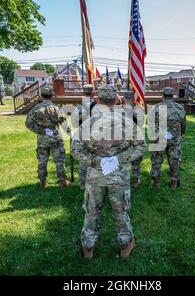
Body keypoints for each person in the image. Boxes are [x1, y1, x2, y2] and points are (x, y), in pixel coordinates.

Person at [71, 85, 145, 260]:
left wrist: (95, 161)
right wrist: (120, 159)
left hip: (95, 177)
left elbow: (75, 149)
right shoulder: (126, 121)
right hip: (119, 177)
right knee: (120, 211)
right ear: (116, 99)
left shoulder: (89, 122)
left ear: (97, 99)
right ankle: (125, 246)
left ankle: (88, 247)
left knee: (91, 212)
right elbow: (141, 145)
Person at [25, 85, 70, 189]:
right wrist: (69, 133)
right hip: (56, 138)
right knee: (59, 160)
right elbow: (63, 123)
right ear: (51, 95)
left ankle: (42, 182)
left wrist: (40, 130)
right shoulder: (56, 108)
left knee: (42, 160)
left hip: (42, 139)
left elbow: (28, 123)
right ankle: (62, 182)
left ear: (41, 95)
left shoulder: (36, 108)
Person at [149, 87, 186, 190]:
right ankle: (173, 183)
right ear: (173, 96)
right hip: (174, 140)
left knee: (156, 160)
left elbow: (150, 125)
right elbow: (183, 124)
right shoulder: (179, 108)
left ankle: (156, 182)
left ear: (163, 96)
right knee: (174, 161)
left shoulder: (155, 108)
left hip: (159, 139)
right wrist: (180, 134)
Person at [71, 84, 95, 190]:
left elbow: (74, 123)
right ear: (93, 93)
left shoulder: (79, 107)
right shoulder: (99, 107)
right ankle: (95, 183)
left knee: (83, 158)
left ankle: (82, 184)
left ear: (83, 93)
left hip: (83, 134)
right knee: (96, 157)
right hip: (96, 136)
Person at [123, 90, 144, 188]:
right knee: (136, 161)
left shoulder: (118, 110)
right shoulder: (139, 109)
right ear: (133, 98)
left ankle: (122, 181)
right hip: (136, 138)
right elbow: (141, 124)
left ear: (124, 99)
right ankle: (136, 180)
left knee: (122, 161)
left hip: (123, 139)